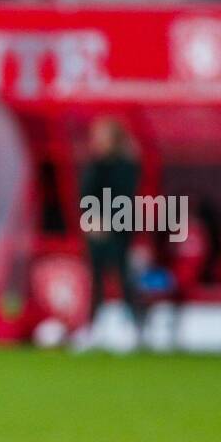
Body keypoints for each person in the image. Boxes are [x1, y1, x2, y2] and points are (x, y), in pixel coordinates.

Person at [76, 117, 142, 346]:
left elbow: (124, 198)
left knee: (122, 277)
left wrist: (110, 223)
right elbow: (86, 196)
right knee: (96, 279)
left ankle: (133, 326)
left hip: (119, 230)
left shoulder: (126, 166)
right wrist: (92, 221)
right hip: (96, 231)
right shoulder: (94, 166)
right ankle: (93, 327)